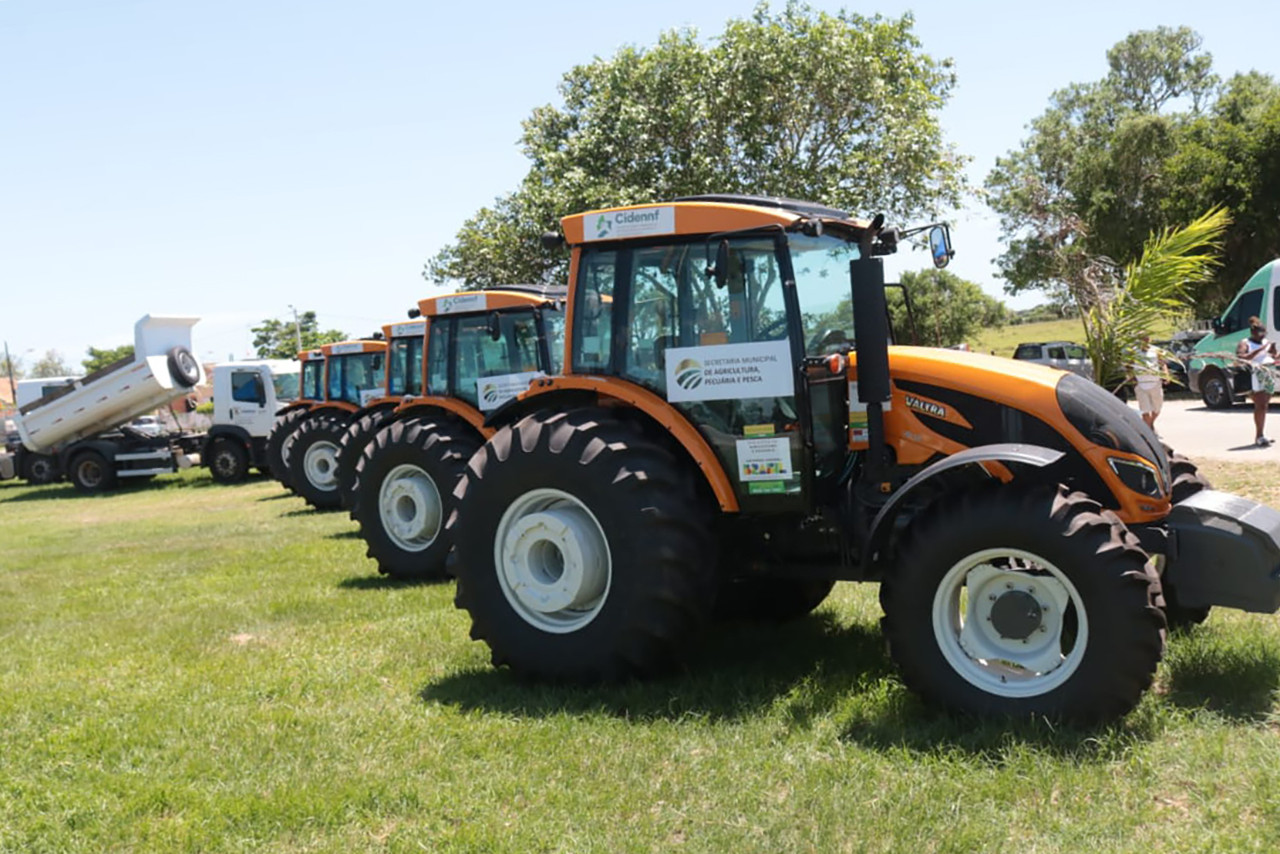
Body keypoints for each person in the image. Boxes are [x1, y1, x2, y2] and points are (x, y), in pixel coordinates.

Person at [1236, 316, 1278, 447]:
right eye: (1260, 334)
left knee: (1265, 405)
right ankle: (1258, 436)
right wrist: (1260, 349)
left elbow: (1271, 357)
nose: (1262, 336)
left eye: (1263, 333)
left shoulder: (1265, 341)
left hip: (1268, 373)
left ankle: (1262, 434)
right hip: (1254, 375)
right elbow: (1241, 357)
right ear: (1253, 332)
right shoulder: (1245, 343)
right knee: (1260, 405)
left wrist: (1274, 352)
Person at [1131, 334, 1164, 431]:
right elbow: (1129, 366)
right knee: (1145, 411)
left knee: (1157, 409)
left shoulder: (1156, 350)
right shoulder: (1134, 353)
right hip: (1141, 384)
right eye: (1142, 338)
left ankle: (1150, 424)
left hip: (1155, 383)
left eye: (1146, 338)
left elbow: (1162, 363)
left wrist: (1166, 375)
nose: (1144, 340)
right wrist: (1132, 378)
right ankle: (1149, 431)